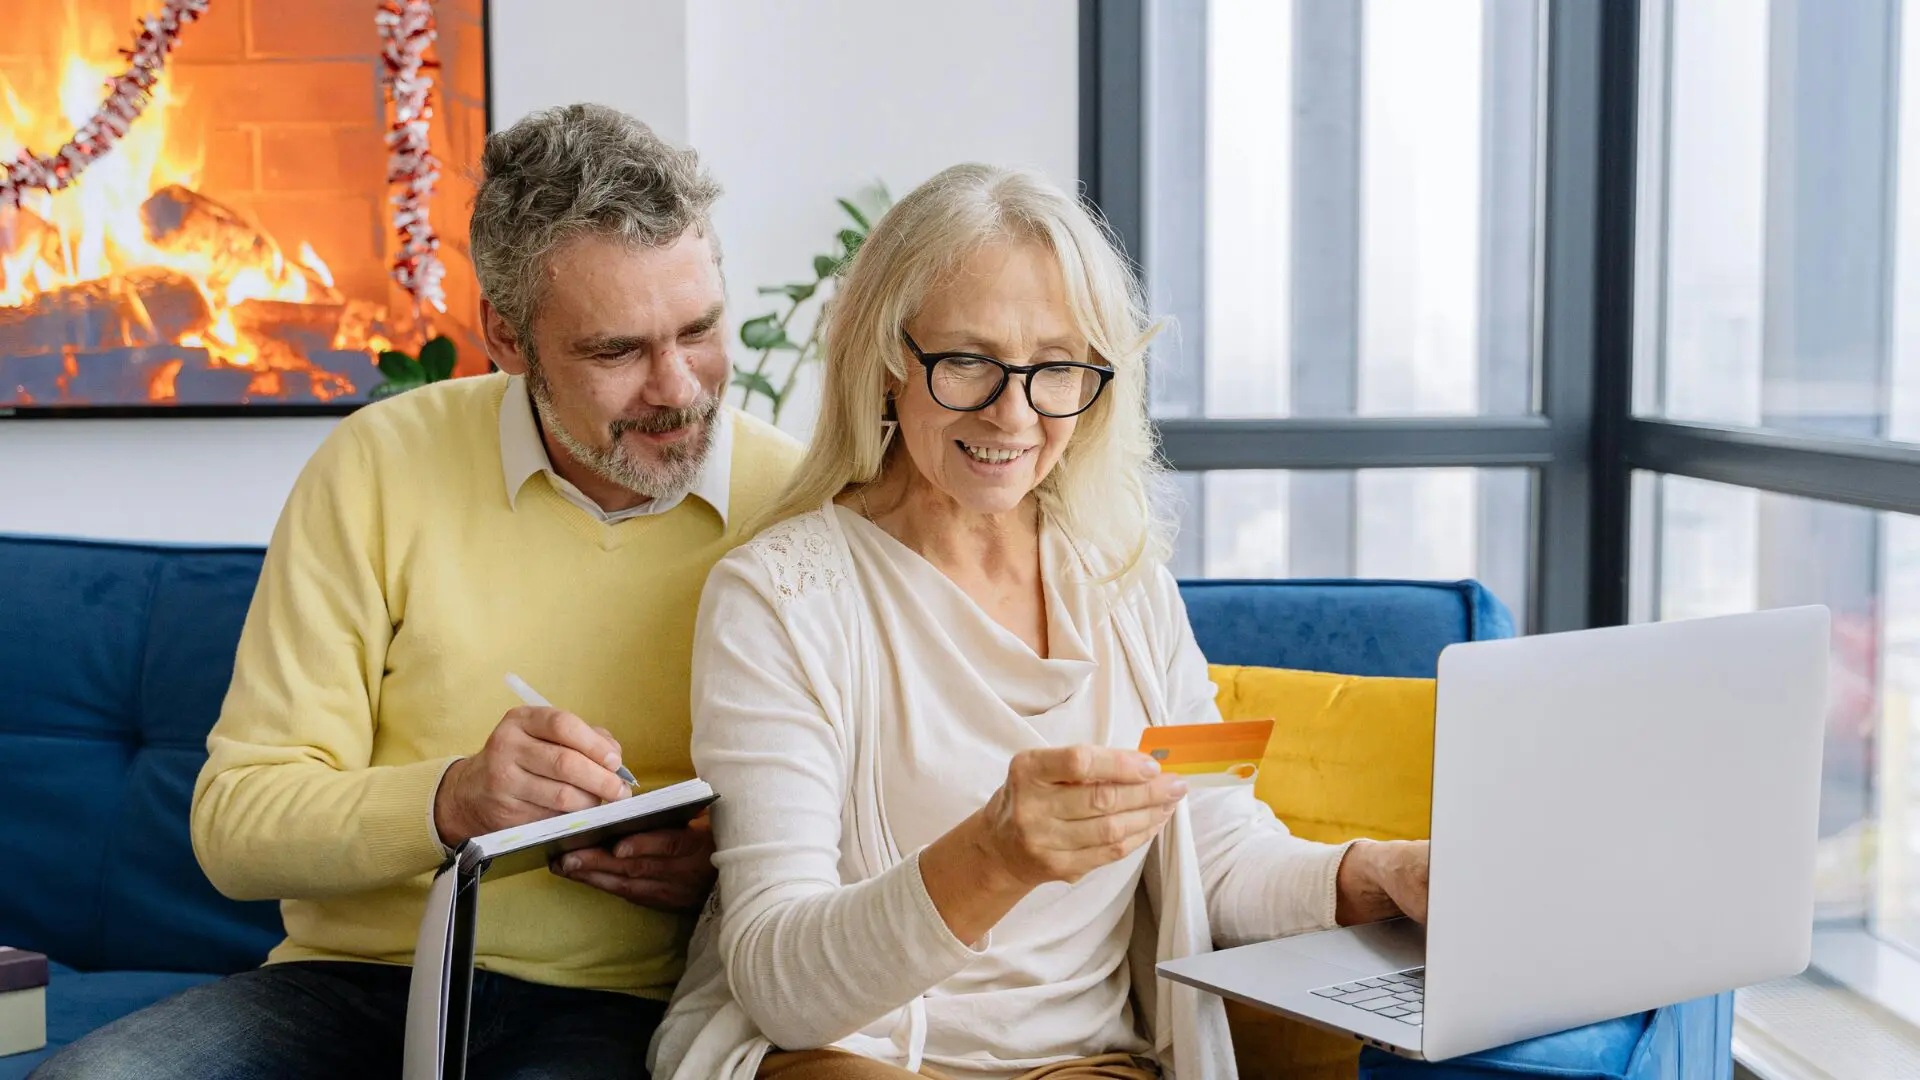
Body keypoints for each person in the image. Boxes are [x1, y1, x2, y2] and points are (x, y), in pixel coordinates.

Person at [32, 103, 802, 1080]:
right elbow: (234, 828)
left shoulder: (798, 501)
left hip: (618, 1004)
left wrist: (715, 873)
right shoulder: (380, 464)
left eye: (698, 330)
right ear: (506, 337)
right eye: (615, 352)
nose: (678, 388)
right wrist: (453, 800)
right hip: (350, 983)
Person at [648, 164, 1430, 1080]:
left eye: (1057, 366)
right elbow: (782, 985)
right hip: (843, 1059)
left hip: (1088, 1068)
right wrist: (995, 856)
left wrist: (1370, 874)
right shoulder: (781, 597)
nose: (1013, 415)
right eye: (969, 362)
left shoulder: (1124, 582)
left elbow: (1216, 852)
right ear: (887, 359)